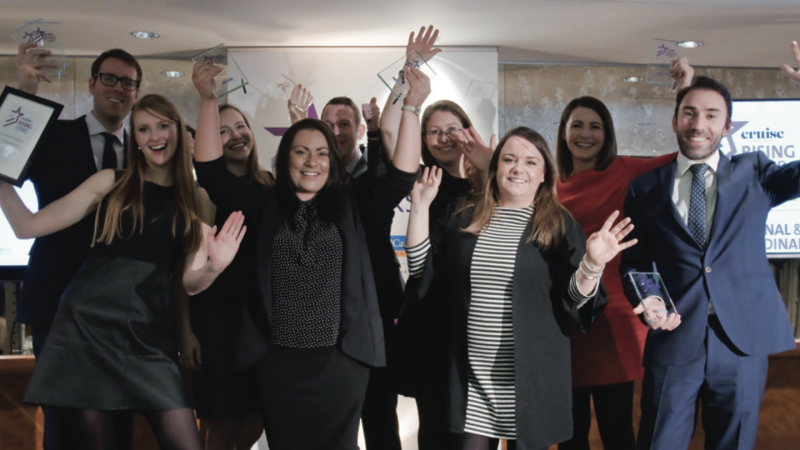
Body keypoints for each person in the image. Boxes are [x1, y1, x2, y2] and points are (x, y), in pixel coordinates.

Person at [189, 61, 426, 450]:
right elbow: (210, 172)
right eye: (301, 152)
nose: (311, 162)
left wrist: (412, 106)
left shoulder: (353, 203)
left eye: (321, 153)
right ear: (286, 158)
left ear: (332, 161)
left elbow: (401, 175)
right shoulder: (263, 204)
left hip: (342, 362)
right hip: (277, 363)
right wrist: (208, 99)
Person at [0, 94, 241, 450]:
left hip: (151, 335)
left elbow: (190, 282)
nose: (154, 136)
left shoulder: (198, 199)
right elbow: (26, 226)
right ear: (135, 139)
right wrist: (1, 181)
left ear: (179, 130)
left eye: (162, 125)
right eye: (143, 129)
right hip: (87, 328)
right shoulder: (110, 181)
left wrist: (215, 266)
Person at [404, 126, 635, 450]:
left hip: (530, 378)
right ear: (495, 166)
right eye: (509, 159)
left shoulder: (559, 224)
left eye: (530, 162)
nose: (518, 169)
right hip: (471, 376)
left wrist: (593, 264)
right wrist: (419, 207)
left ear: (544, 174)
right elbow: (422, 272)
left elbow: (575, 300)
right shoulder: (462, 215)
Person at [619, 38, 800, 450]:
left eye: (711, 115)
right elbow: (635, 261)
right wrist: (649, 297)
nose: (698, 123)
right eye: (689, 113)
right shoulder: (645, 188)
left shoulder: (756, 173)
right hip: (674, 336)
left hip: (741, 341)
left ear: (727, 127)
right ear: (675, 121)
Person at [555, 60, 693, 450]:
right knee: (569, 435)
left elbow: (680, 157)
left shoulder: (624, 170)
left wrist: (685, 90)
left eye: (595, 126)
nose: (586, 134)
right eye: (577, 125)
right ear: (563, 132)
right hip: (564, 320)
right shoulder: (547, 183)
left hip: (613, 318)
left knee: (617, 431)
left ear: (607, 134)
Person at [14, 43, 142, 450]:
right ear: (91, 84)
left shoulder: (147, 151)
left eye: (128, 83)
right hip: (57, 297)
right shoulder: (54, 134)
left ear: (136, 93)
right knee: (62, 417)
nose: (118, 88)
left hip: (123, 309)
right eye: (109, 79)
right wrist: (26, 90)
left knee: (119, 417)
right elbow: (5, 157)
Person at [290, 86, 406, 449]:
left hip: (376, 310)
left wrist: (377, 132)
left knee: (379, 413)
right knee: (331, 418)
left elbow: (386, 178)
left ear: (358, 129)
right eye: (327, 124)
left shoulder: (374, 173)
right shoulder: (311, 181)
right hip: (323, 313)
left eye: (343, 124)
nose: (336, 131)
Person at [178, 105, 271, 450]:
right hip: (218, 326)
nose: (236, 136)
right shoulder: (204, 194)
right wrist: (186, 331)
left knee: (256, 420)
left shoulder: (271, 185)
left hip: (261, 326)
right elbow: (187, 272)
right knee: (221, 423)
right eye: (223, 131)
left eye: (240, 126)